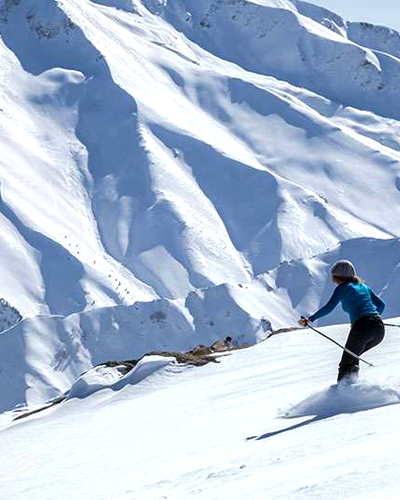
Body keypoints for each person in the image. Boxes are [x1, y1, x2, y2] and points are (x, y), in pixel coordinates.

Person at [299, 260, 385, 382]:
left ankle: (343, 392)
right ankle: (352, 389)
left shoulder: (343, 288)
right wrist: (373, 319)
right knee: (352, 357)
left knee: (347, 362)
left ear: (336, 276)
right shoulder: (364, 287)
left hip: (362, 328)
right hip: (379, 329)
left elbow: (329, 307)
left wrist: (310, 319)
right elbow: (381, 305)